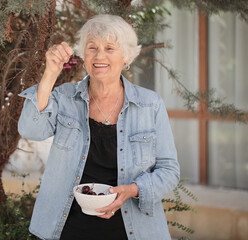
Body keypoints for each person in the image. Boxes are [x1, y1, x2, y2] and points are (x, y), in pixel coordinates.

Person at [18, 14, 180, 240]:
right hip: (67, 228)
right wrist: (50, 74)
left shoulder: (150, 105)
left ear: (126, 56)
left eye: (109, 48)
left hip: (132, 230)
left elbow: (170, 171)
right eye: (92, 47)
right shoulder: (65, 98)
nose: (99, 55)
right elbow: (30, 130)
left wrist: (133, 190)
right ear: (83, 55)